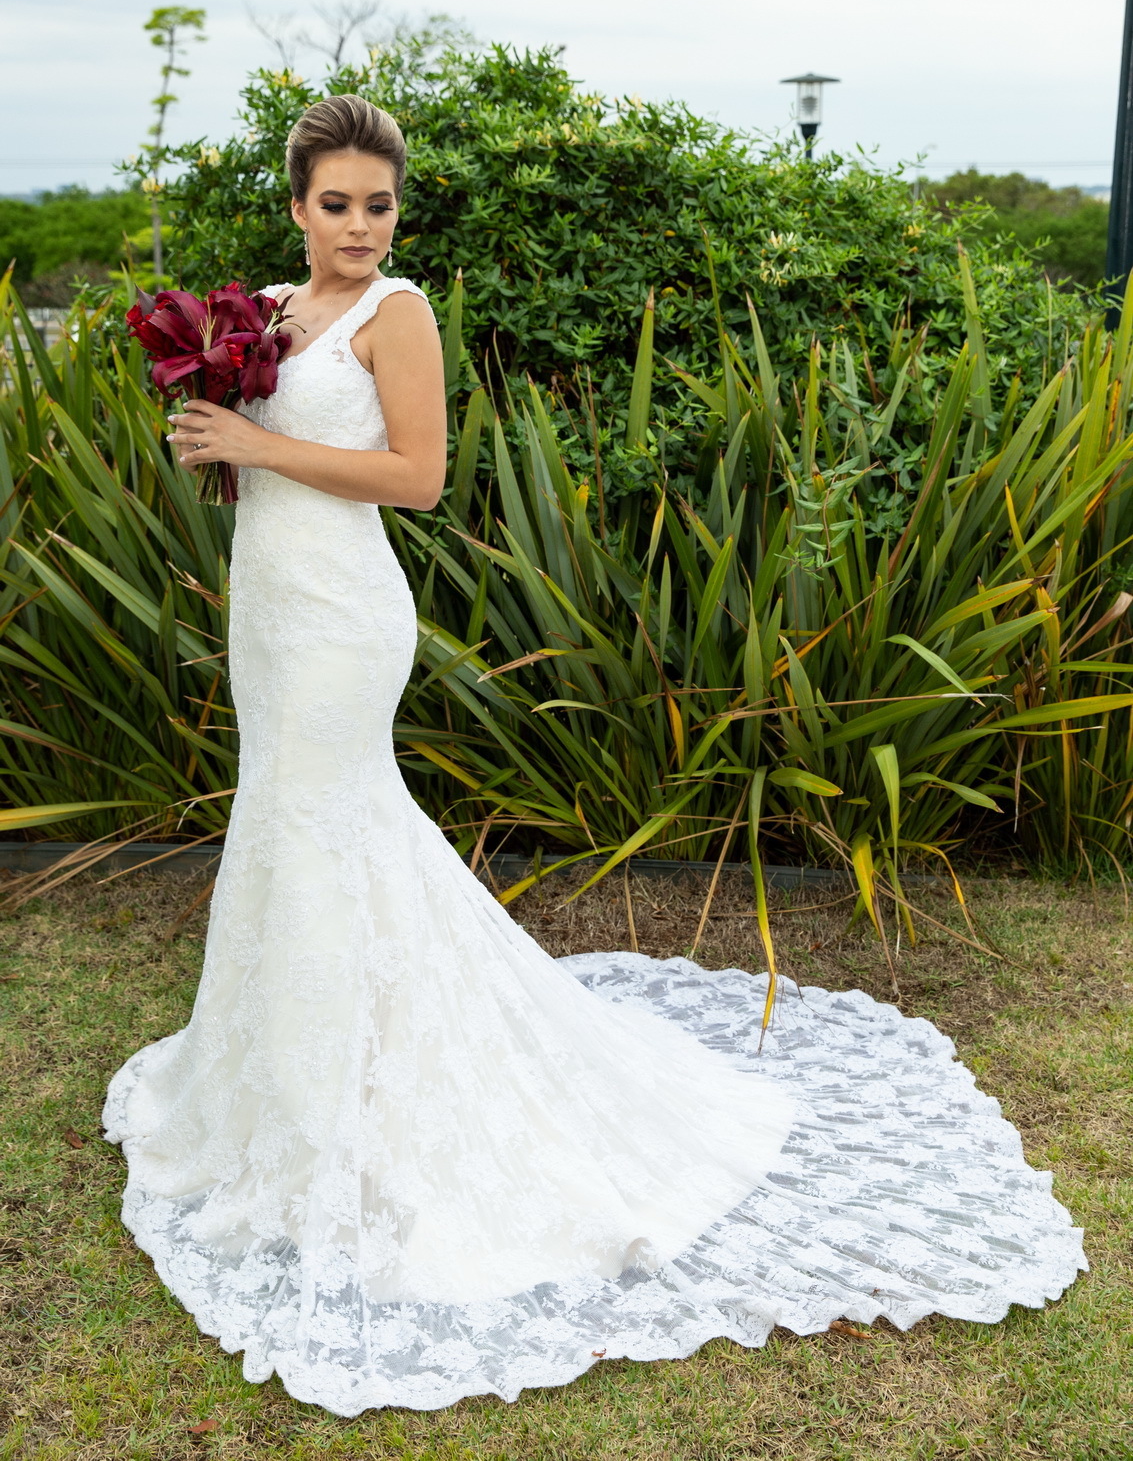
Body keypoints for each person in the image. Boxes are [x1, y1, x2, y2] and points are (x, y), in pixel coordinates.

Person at [103, 94, 1085, 1418]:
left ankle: (370, 1104)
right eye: (334, 203)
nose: (355, 225)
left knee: (326, 823)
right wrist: (219, 451)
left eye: (377, 204)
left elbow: (417, 474)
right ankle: (285, 1077)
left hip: (345, 615)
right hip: (266, 603)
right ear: (295, 205)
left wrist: (255, 440)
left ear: (396, 211)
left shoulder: (400, 312)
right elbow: (269, 461)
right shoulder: (265, 309)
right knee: (282, 822)